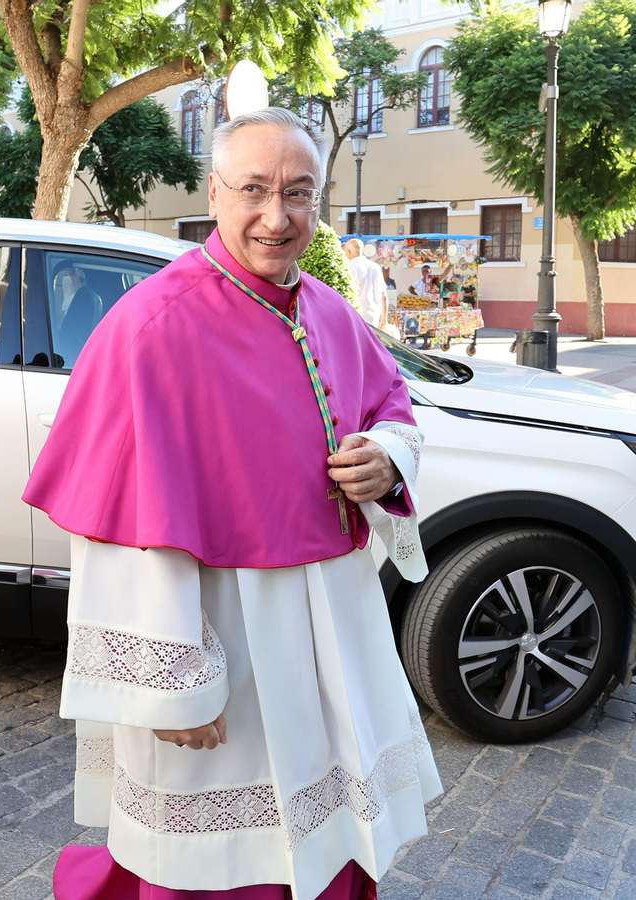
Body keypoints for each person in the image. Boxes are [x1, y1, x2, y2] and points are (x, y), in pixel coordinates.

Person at [25, 106, 439, 900]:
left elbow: (395, 405)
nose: (276, 217)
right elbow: (118, 533)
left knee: (326, 835)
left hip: (331, 628)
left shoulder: (327, 308)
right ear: (213, 192)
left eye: (299, 193)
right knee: (221, 868)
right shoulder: (151, 325)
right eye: (253, 189)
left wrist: (388, 458)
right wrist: (167, 688)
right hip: (225, 635)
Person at [342, 239, 388, 329]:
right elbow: (384, 296)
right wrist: (384, 319)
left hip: (355, 316)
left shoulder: (349, 268)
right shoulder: (375, 267)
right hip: (373, 318)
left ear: (349, 251)